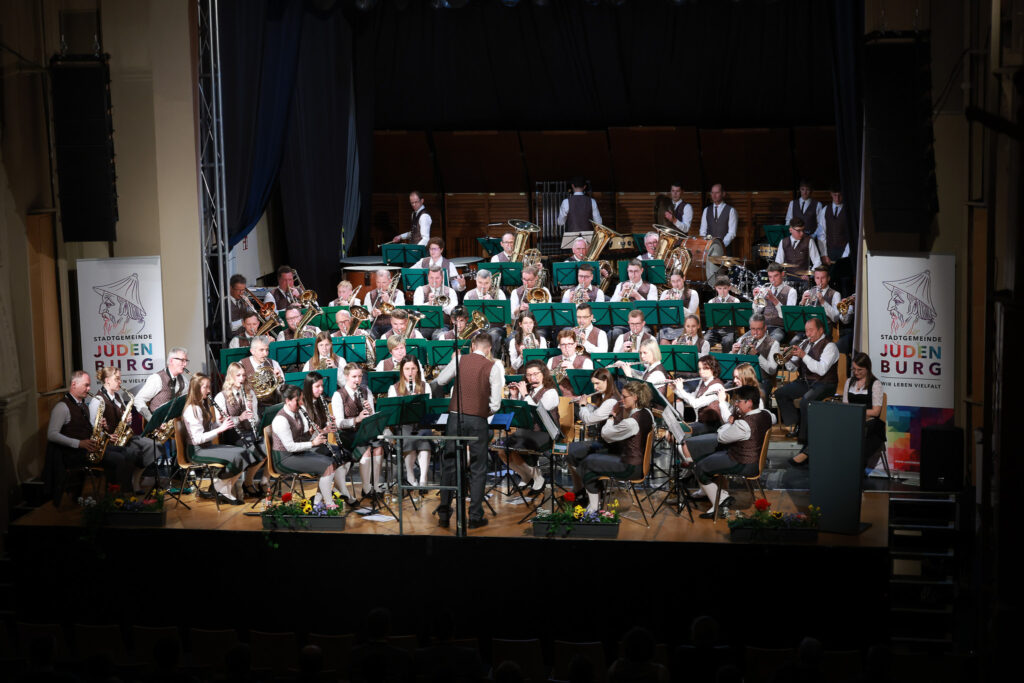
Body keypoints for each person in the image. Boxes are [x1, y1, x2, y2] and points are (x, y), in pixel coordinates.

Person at [431, 333, 503, 529]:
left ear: (472, 345)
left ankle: (444, 514)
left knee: (449, 465)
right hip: (478, 420)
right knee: (478, 469)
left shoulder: (460, 359)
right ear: (489, 349)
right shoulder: (493, 366)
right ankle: (475, 516)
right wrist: (481, 411)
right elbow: (496, 404)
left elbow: (441, 380)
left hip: (454, 418)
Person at [567, 381, 654, 513]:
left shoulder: (631, 423)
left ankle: (593, 508)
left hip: (630, 467)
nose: (621, 399)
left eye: (625, 397)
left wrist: (611, 416)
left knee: (588, 462)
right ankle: (595, 494)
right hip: (636, 461)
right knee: (591, 456)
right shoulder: (647, 412)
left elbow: (606, 434)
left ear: (635, 397)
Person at [688, 384, 773, 518]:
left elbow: (722, 437)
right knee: (709, 458)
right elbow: (772, 417)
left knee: (700, 467)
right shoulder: (766, 415)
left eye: (739, 401)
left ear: (749, 402)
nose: (736, 404)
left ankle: (720, 501)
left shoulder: (743, 424)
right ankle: (720, 496)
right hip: (754, 459)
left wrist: (730, 423)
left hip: (743, 462)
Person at [44, 371, 114, 503]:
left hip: (86, 450)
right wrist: (79, 443)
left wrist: (101, 428)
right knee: (118, 459)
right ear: (74, 384)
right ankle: (115, 499)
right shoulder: (62, 407)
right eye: (86, 385)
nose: (89, 389)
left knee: (124, 452)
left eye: (89, 386)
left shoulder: (82, 405)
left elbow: (86, 431)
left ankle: (114, 497)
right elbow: (52, 434)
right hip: (73, 454)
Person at [777, 317, 839, 462]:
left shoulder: (830, 346)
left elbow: (821, 370)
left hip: (825, 383)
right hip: (806, 382)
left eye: (811, 330)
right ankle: (798, 424)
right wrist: (788, 360)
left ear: (821, 330)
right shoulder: (805, 344)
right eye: (806, 330)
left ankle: (804, 440)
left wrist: (803, 355)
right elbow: (792, 368)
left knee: (806, 402)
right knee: (780, 393)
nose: (807, 334)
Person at [181, 373, 249, 505]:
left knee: (245, 453)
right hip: (197, 451)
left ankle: (219, 487)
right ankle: (222, 490)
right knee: (238, 457)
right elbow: (198, 439)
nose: (208, 390)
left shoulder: (203, 405)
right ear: (196, 389)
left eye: (209, 387)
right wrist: (221, 429)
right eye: (205, 387)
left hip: (206, 447)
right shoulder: (192, 409)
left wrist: (218, 424)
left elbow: (207, 428)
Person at [89, 367, 157, 493]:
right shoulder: (97, 400)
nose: (120, 381)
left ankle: (135, 479)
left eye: (120, 378)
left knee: (154, 446)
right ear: (107, 380)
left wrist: (128, 420)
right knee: (133, 453)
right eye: (117, 379)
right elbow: (93, 427)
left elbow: (125, 420)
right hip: (109, 443)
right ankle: (127, 487)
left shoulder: (118, 396)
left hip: (123, 437)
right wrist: (107, 435)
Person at [271, 384, 339, 508]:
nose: (302, 403)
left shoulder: (298, 412)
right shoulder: (281, 420)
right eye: (298, 400)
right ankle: (328, 503)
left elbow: (301, 437)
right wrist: (313, 443)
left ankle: (321, 500)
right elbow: (290, 447)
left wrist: (312, 433)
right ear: (287, 401)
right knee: (327, 464)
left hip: (298, 454)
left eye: (302, 399)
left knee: (332, 461)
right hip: (284, 459)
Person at [498, 360, 558, 497]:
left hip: (545, 433)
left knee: (515, 448)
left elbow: (539, 412)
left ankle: (538, 477)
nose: (532, 378)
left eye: (535, 374)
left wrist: (524, 395)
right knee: (502, 449)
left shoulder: (551, 392)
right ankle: (525, 475)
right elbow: (518, 414)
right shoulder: (527, 391)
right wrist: (514, 395)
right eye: (529, 375)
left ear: (543, 374)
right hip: (525, 431)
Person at [332, 364, 385, 502]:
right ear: (346, 377)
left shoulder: (366, 391)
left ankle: (375, 485)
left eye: (360, 376)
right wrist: (356, 419)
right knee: (366, 449)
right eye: (354, 377)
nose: (357, 380)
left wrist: (371, 411)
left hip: (365, 431)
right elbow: (339, 423)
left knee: (379, 448)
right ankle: (366, 488)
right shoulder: (338, 395)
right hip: (347, 434)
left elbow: (372, 416)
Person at [301, 371, 355, 505]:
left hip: (321, 444)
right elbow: (305, 435)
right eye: (317, 387)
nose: (321, 390)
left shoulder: (320, 401)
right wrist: (324, 430)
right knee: (335, 459)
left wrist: (328, 423)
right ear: (309, 388)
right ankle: (343, 493)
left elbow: (321, 425)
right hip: (309, 447)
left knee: (347, 456)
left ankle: (322, 496)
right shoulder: (302, 406)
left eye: (322, 386)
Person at [214, 361, 266, 498]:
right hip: (231, 435)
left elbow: (256, 420)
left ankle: (248, 482)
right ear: (231, 377)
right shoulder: (221, 397)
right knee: (252, 450)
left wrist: (252, 412)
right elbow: (220, 423)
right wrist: (239, 418)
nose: (242, 379)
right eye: (238, 375)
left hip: (248, 433)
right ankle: (226, 483)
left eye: (243, 375)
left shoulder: (250, 394)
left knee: (266, 447)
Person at [386, 357, 434, 491]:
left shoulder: (425, 386)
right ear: (402, 370)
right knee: (408, 437)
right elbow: (392, 413)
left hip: (421, 423)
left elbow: (429, 409)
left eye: (413, 368)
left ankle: (423, 479)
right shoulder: (393, 388)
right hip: (403, 425)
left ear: (417, 369)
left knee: (424, 439)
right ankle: (411, 476)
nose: (410, 372)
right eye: (407, 369)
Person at [842, 352, 886, 473]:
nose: (856, 372)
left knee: (862, 432)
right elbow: (846, 406)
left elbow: (876, 412)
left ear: (867, 368)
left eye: (860, 370)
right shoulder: (849, 382)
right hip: (852, 419)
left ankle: (855, 469)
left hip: (870, 422)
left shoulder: (875, 384)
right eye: (854, 369)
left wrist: (858, 411)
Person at [730, 313, 779, 397]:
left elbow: (772, 370)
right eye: (753, 329)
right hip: (742, 379)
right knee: (723, 390)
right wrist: (733, 352)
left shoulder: (774, 344)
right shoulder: (743, 339)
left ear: (765, 328)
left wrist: (757, 355)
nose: (755, 332)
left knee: (756, 396)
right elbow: (733, 364)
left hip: (762, 381)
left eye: (758, 329)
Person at [674, 355, 727, 434]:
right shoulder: (703, 381)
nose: (701, 371)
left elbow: (696, 403)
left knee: (678, 431)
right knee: (673, 430)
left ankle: (683, 446)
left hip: (711, 425)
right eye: (700, 368)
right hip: (700, 422)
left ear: (713, 368)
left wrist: (681, 390)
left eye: (705, 368)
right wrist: (675, 389)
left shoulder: (717, 386)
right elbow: (693, 396)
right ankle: (681, 446)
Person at [136, 347, 190, 421]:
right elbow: (138, 399)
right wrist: (151, 419)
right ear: (171, 361)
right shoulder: (157, 378)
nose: (185, 364)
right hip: (158, 425)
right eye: (182, 360)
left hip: (175, 424)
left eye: (186, 361)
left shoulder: (183, 379)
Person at [462, 268, 506, 357]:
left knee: (493, 336)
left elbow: (504, 315)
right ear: (476, 281)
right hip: (476, 329)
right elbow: (467, 316)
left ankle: (491, 362)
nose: (483, 286)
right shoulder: (469, 295)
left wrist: (492, 302)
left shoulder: (499, 293)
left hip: (494, 327)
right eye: (480, 283)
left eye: (486, 283)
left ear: (490, 282)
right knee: (469, 337)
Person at [755, 263, 797, 342]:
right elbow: (758, 312)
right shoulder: (765, 289)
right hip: (763, 327)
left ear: (783, 274)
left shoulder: (791, 291)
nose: (773, 280)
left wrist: (774, 299)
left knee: (769, 344)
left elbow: (788, 317)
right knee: (740, 341)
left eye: (776, 276)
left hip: (779, 328)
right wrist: (756, 300)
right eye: (770, 277)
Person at [239, 336, 285, 408]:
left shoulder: (273, 363)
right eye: (261, 350)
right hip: (251, 406)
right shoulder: (242, 364)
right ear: (252, 351)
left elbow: (282, 389)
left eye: (267, 350)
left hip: (271, 405)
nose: (265, 354)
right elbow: (238, 388)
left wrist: (279, 379)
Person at [577, 368, 620, 439]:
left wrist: (582, 405)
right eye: (593, 384)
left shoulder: (611, 401)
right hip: (605, 438)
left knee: (573, 449)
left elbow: (588, 420)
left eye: (597, 383)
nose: (595, 387)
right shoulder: (606, 395)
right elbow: (597, 411)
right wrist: (586, 404)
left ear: (606, 381)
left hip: (609, 442)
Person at [548, 329, 594, 395]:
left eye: (569, 344)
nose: (566, 347)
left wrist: (573, 372)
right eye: (563, 344)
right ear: (559, 346)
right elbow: (546, 384)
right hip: (556, 400)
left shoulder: (586, 362)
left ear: (575, 344)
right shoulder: (551, 360)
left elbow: (588, 389)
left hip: (577, 401)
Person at [658, 271, 700, 342]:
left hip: (685, 327)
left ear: (683, 278)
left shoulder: (693, 293)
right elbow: (660, 315)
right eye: (673, 281)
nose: (676, 284)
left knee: (678, 342)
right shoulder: (665, 293)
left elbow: (691, 315)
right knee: (663, 341)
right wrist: (664, 305)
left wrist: (678, 305)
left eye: (678, 281)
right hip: (668, 326)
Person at [365, 269, 406, 338]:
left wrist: (389, 302)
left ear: (390, 281)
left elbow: (401, 314)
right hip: (375, 326)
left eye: (384, 282)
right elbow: (366, 318)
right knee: (368, 335)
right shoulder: (369, 295)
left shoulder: (398, 293)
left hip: (392, 326)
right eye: (378, 282)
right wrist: (372, 314)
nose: (381, 286)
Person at [703, 275, 741, 350]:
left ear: (729, 288)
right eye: (719, 288)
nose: (722, 291)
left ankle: (727, 360)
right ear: (716, 288)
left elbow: (737, 320)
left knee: (728, 341)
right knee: (705, 340)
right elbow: (710, 321)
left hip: (729, 330)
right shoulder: (711, 302)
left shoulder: (735, 301)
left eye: (725, 288)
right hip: (715, 330)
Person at [817, 188, 850, 265]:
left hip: (845, 251)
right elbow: (821, 234)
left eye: (840, 195)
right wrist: (824, 254)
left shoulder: (848, 211)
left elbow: (852, 236)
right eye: (835, 195)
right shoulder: (825, 210)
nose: (837, 198)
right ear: (831, 194)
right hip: (829, 252)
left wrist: (845, 256)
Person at [699, 183, 737, 249]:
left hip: (725, 248)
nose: (714, 195)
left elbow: (732, 232)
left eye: (717, 193)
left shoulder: (731, 210)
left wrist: (721, 245)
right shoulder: (706, 210)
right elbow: (703, 231)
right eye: (712, 193)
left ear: (723, 194)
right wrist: (706, 244)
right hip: (709, 248)